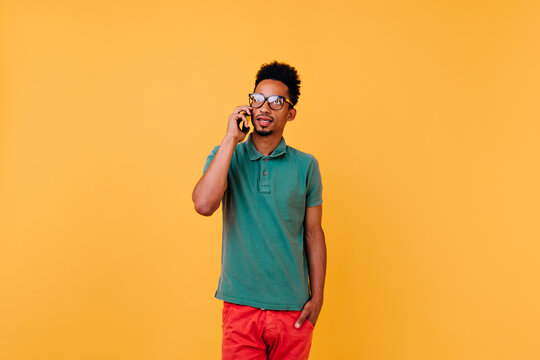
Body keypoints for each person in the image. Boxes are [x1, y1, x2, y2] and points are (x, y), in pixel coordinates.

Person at [192, 61, 326, 360]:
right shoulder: (225, 155)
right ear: (249, 105)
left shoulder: (306, 166)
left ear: (290, 113)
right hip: (241, 307)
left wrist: (317, 300)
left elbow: (313, 233)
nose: (265, 107)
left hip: (293, 310)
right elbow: (203, 205)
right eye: (258, 99)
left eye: (276, 101)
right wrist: (230, 139)